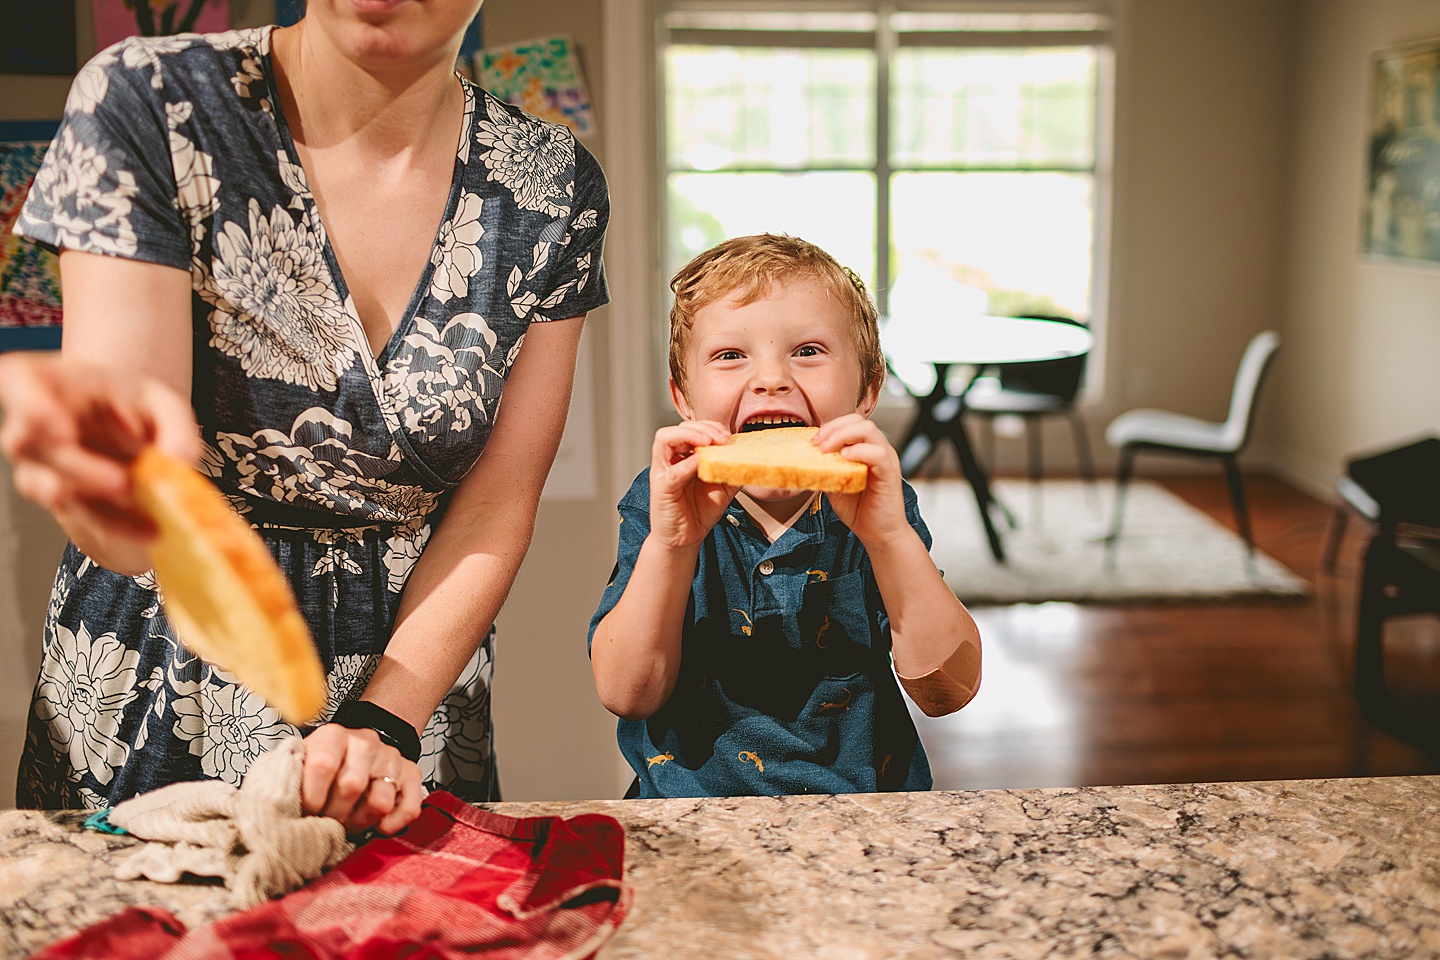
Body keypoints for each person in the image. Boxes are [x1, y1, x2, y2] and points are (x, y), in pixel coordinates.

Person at [0, 0, 608, 835]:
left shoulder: (552, 182)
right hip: (164, 663)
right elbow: (140, 497)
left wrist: (386, 720)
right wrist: (101, 487)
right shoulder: (152, 100)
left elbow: (498, 501)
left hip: (411, 688)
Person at [588, 235, 980, 798]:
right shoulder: (663, 502)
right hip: (690, 818)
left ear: (867, 390)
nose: (771, 378)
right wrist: (671, 547)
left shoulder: (880, 506)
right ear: (685, 399)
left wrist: (890, 538)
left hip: (865, 818)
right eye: (730, 355)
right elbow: (628, 693)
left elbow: (950, 691)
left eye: (808, 351)